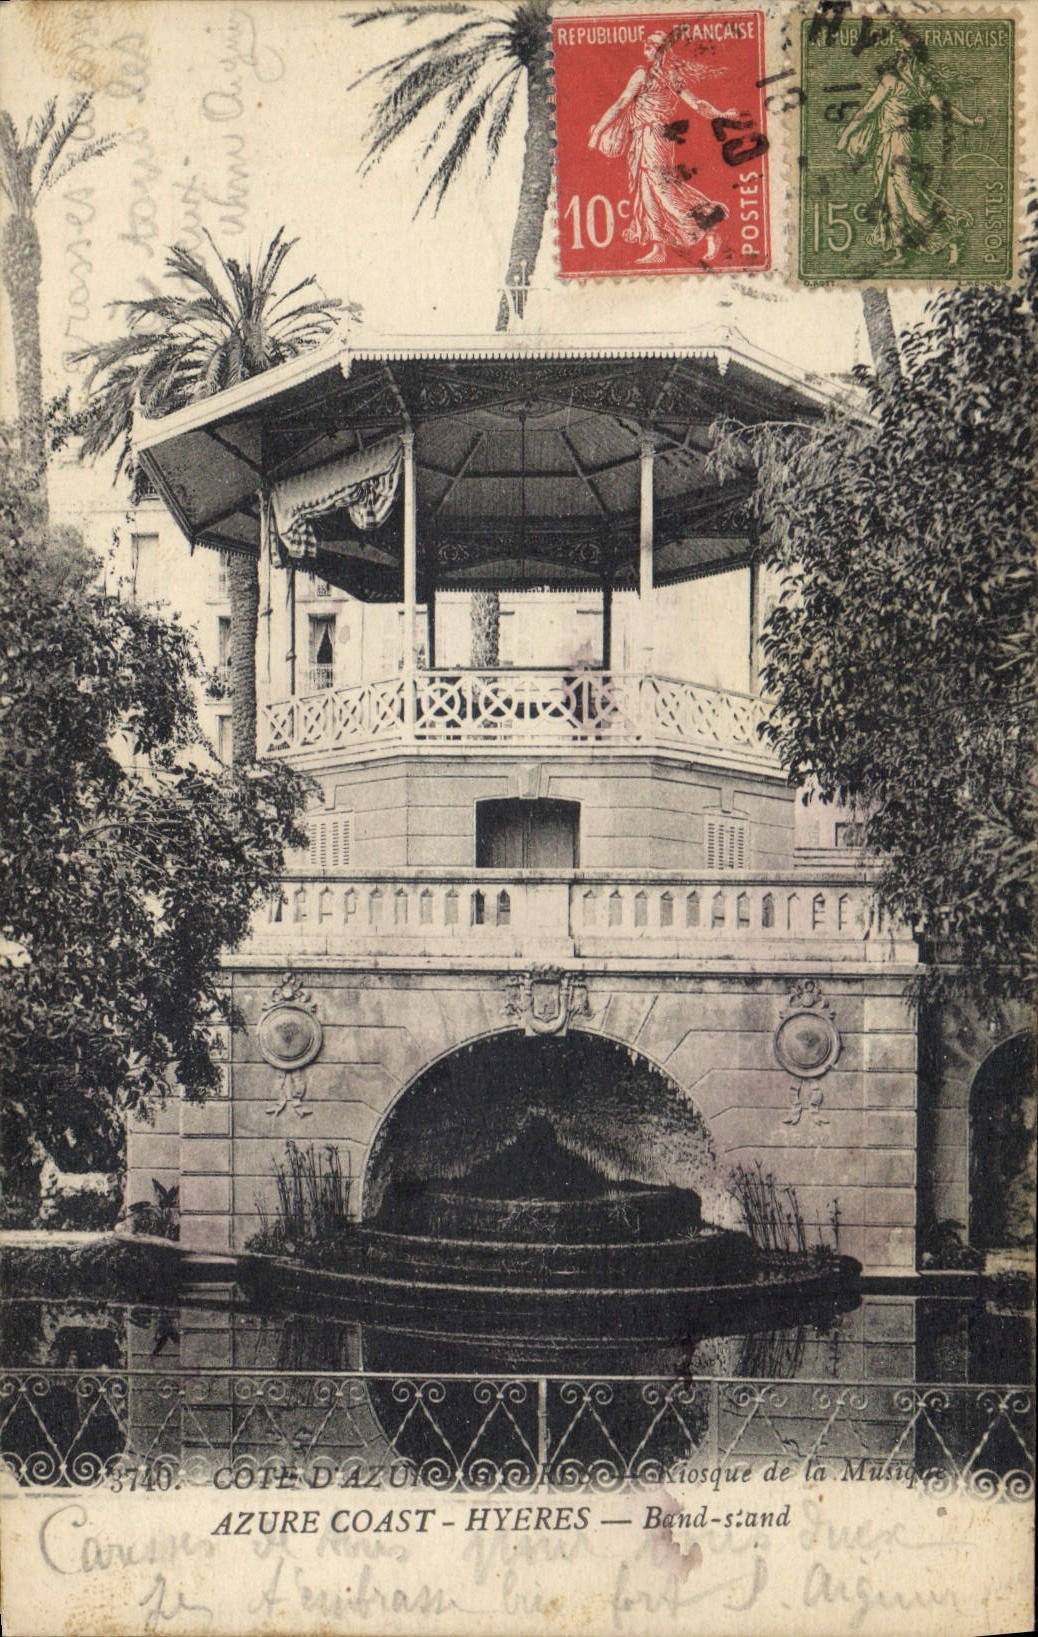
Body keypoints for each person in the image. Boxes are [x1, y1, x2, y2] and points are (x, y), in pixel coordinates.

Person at [588, 30, 738, 265]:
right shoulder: (644, 75)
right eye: (647, 44)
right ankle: (659, 247)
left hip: (656, 136)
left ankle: (708, 226)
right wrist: (598, 131)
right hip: (644, 137)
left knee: (662, 189)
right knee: (647, 191)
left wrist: (722, 114)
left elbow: (696, 103)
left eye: (655, 45)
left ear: (664, 51)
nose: (649, 47)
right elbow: (621, 103)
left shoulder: (667, 77)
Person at [836, 45, 984, 265]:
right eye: (898, 50)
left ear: (913, 55)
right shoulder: (902, 79)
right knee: (891, 198)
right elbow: (869, 110)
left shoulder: (912, 81)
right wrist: (847, 134)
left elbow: (944, 109)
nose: (898, 54)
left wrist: (970, 123)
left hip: (902, 143)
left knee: (908, 195)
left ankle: (952, 236)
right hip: (891, 142)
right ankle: (900, 252)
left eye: (903, 50)